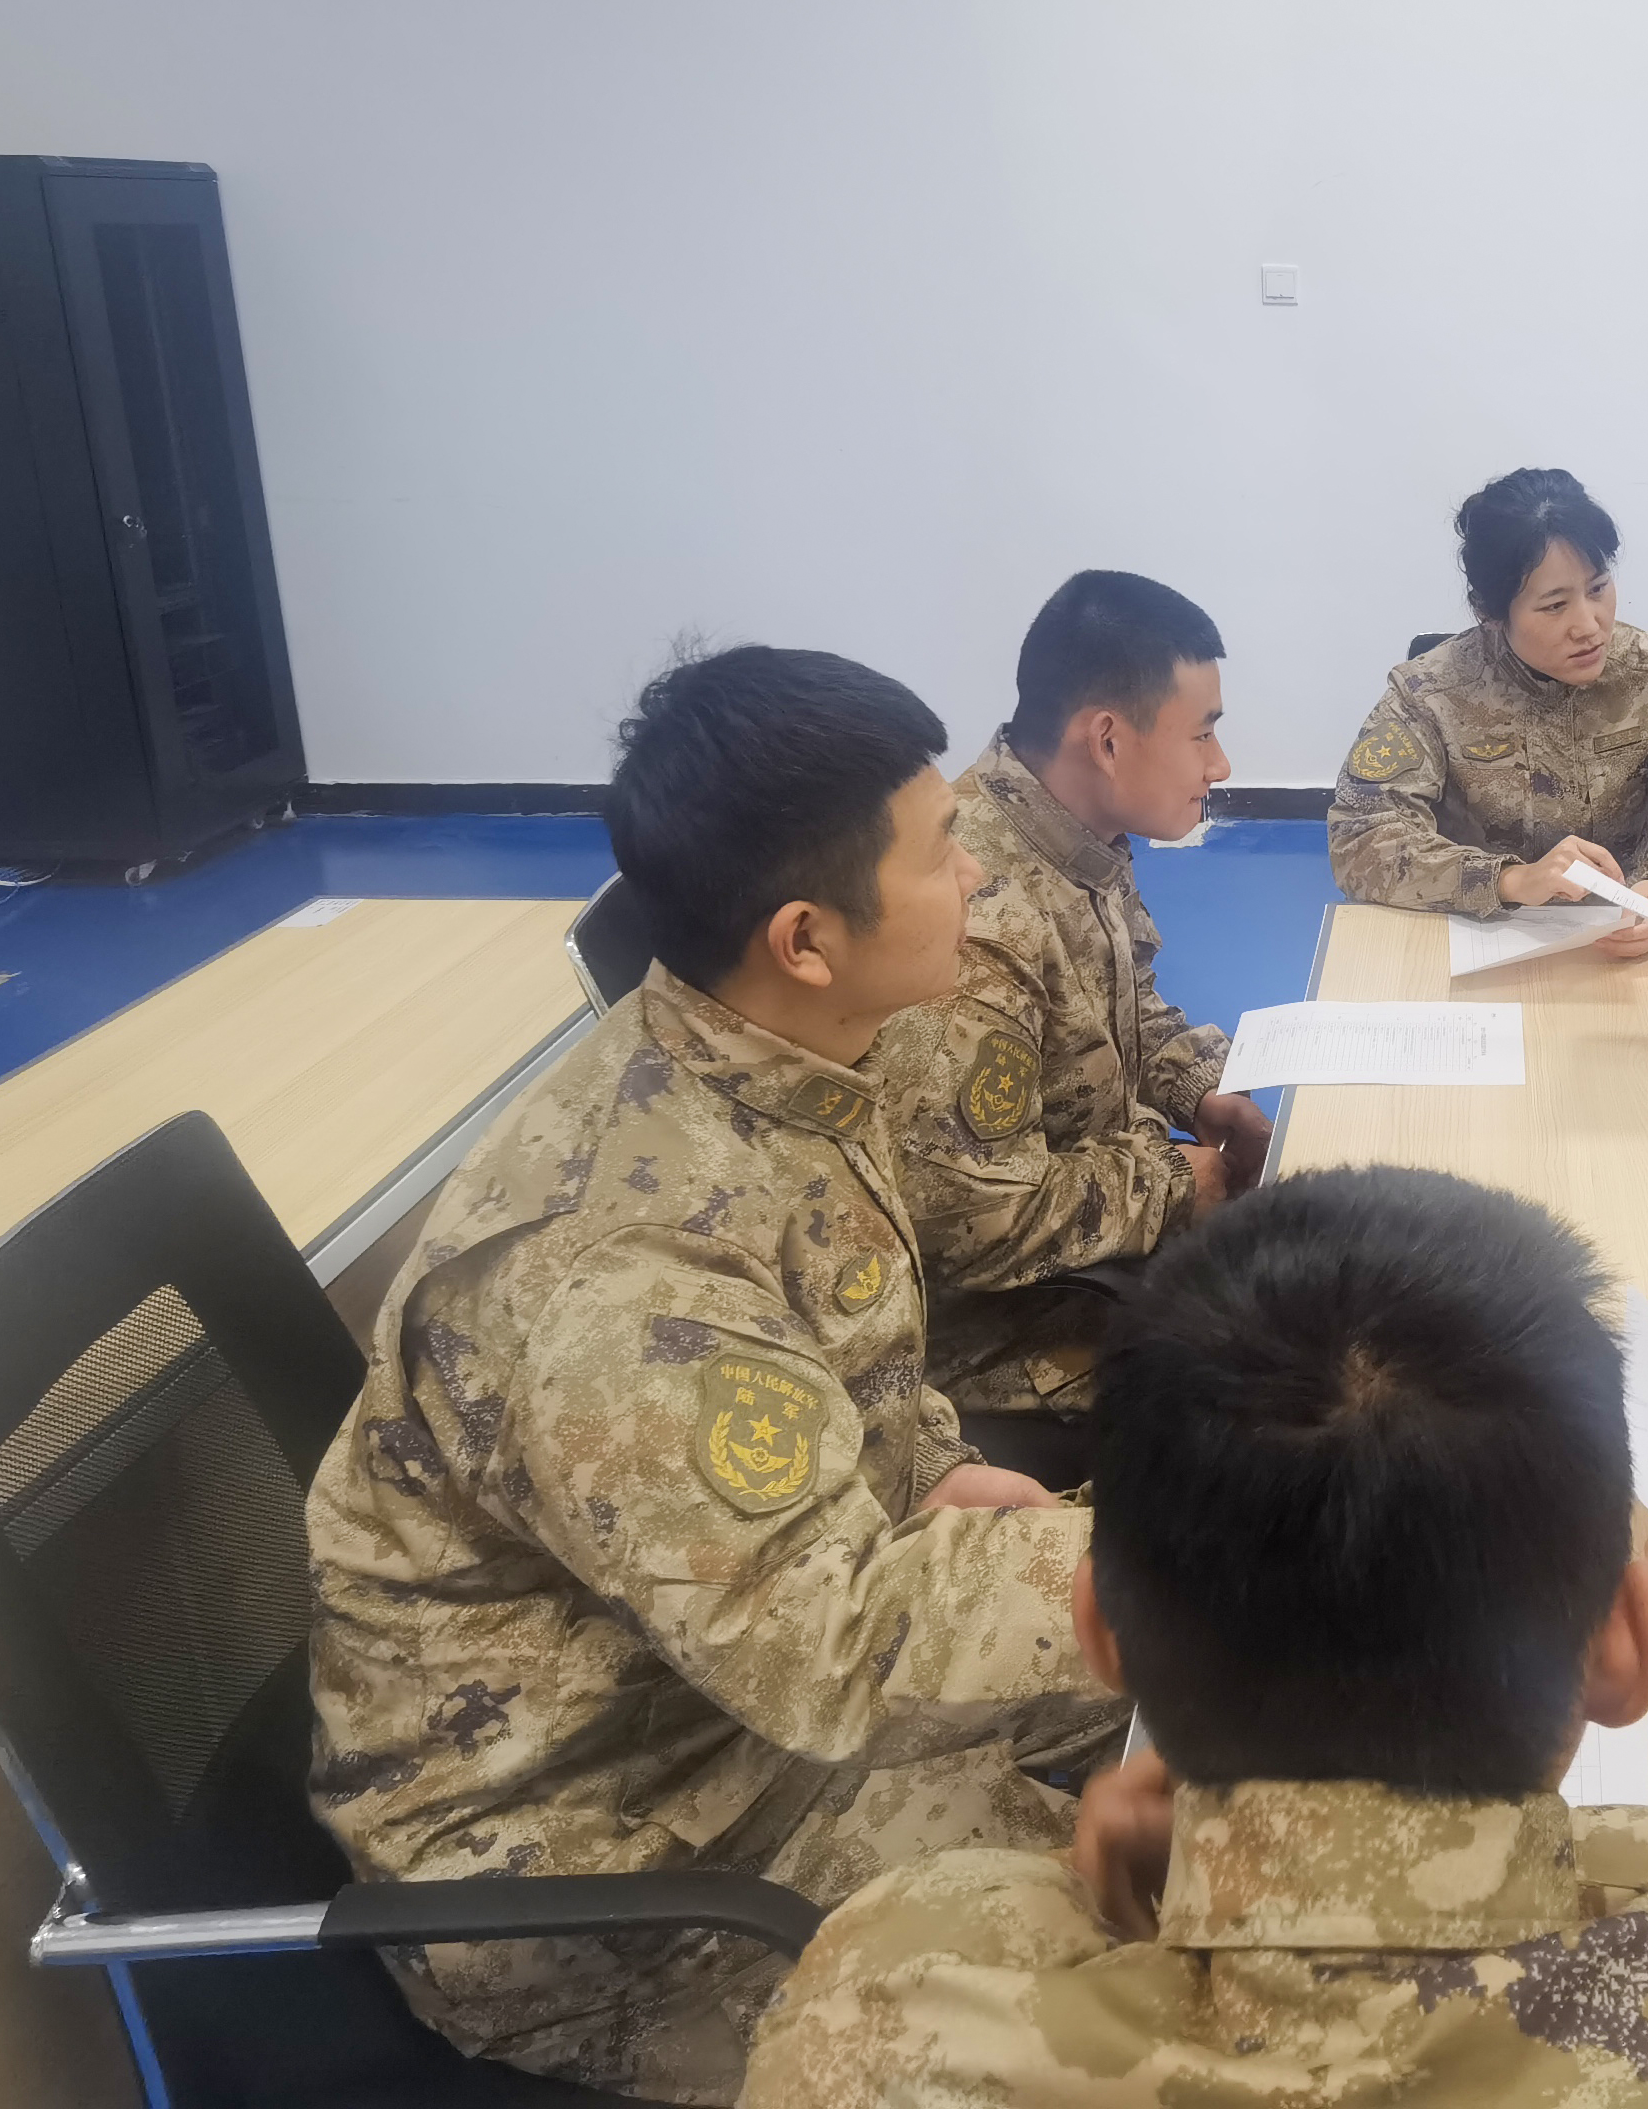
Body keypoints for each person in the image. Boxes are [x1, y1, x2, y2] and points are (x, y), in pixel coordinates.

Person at [738, 1165, 1648, 2109]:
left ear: (1098, 1632)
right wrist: (1371, 1843)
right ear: (1631, 1644)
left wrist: (1268, 1839)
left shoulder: (884, 2011)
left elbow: (979, 1925)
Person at [304, 646, 1125, 2104]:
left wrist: (935, 1465)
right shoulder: (617, 1287)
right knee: (1163, 2000)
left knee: (1267, 1723)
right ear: (807, 939)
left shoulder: (784, 1058)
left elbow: (845, 1351)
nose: (980, 877)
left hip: (730, 1704)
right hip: (621, 1878)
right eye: (943, 851)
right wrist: (1191, 1565)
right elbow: (837, 1656)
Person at [870, 572, 1272, 1428]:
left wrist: (1199, 1090)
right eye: (1203, 734)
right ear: (1108, 739)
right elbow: (973, 1220)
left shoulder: (1074, 833)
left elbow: (1125, 1007)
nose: (1221, 764)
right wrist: (1172, 1185)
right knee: (1311, 1389)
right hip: (1001, 1337)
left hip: (1091, 1238)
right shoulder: (977, 920)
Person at [1328, 466, 1648, 952]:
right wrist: (1511, 881)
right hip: (1480, 933)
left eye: (1598, 588)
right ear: (1489, 612)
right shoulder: (1428, 693)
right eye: (1555, 606)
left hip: (1628, 931)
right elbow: (1361, 837)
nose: (1589, 627)